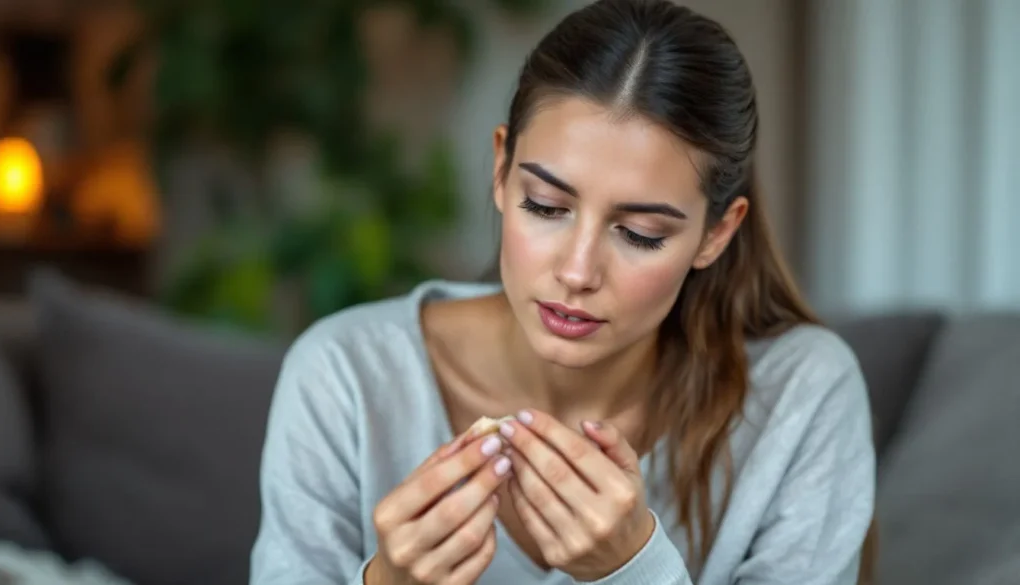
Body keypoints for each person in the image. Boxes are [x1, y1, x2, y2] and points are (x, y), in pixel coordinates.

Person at [249, 1, 877, 583]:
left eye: (639, 233)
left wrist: (633, 568)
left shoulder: (802, 396)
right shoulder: (346, 376)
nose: (577, 272)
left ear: (717, 234)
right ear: (500, 171)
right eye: (546, 206)